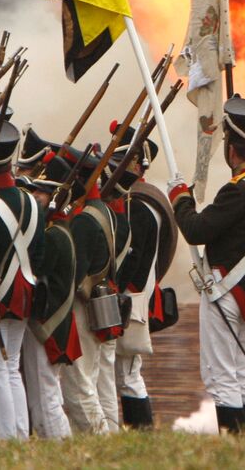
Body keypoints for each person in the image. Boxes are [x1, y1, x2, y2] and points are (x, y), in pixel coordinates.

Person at [172, 95, 245, 433]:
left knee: (220, 376)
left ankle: (236, 449)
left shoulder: (238, 191)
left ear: (232, 147)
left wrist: (180, 198)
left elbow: (195, 230)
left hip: (228, 291)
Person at [108, 126, 176, 430]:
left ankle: (141, 434)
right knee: (127, 373)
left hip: (130, 299)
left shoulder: (137, 205)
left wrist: (116, 292)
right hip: (139, 296)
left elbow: (132, 259)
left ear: (134, 164)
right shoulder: (148, 200)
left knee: (127, 374)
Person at [0, 118, 41, 439]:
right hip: (24, 293)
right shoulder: (30, 199)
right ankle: (18, 435)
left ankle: (6, 440)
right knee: (11, 368)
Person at [59, 144, 121, 433]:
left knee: (79, 388)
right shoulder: (102, 210)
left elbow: (73, 273)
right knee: (89, 381)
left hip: (83, 306)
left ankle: (101, 443)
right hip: (99, 302)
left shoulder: (84, 219)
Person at [23, 155, 79, 439]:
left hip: (49, 322)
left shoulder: (54, 234)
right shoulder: (55, 230)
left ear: (56, 196)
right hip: (51, 320)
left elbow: (36, 266)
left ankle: (61, 446)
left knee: (46, 392)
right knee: (41, 391)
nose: (35, 196)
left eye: (41, 192)